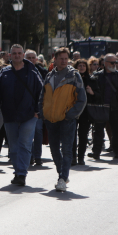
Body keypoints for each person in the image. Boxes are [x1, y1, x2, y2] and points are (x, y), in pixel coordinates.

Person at [39, 48, 87, 191]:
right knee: (54, 149)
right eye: (61, 59)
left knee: (66, 150)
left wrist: (70, 115)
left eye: (66, 59)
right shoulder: (49, 76)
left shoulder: (74, 76)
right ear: (55, 59)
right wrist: (43, 113)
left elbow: (82, 99)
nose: (64, 61)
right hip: (51, 119)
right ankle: (62, 174)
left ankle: (62, 178)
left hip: (67, 120)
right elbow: (43, 96)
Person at [0, 45, 42, 186]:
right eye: (14, 53)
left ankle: (21, 173)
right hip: (10, 116)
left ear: (23, 55)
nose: (16, 55)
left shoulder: (33, 72)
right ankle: (17, 171)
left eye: (19, 53)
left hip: (29, 115)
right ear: (10, 55)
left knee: (25, 144)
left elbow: (41, 92)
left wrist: (37, 111)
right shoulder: (4, 72)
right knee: (14, 147)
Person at [25, 49, 47, 167]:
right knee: (27, 133)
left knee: (38, 131)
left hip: (38, 107)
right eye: (29, 57)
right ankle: (29, 156)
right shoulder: (21, 70)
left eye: (33, 57)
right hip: (24, 107)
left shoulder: (42, 71)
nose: (31, 60)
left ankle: (37, 156)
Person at [72, 58, 95, 166]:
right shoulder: (71, 79)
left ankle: (81, 157)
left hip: (86, 112)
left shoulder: (91, 79)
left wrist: (92, 92)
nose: (81, 67)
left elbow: (98, 95)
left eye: (83, 66)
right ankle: (72, 157)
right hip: (73, 110)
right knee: (72, 135)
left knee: (83, 135)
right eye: (79, 65)